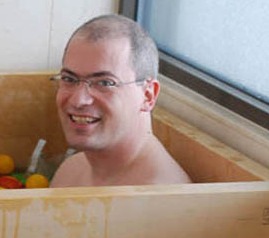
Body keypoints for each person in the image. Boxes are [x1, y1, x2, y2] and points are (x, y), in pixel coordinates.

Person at [50, 14, 192, 187]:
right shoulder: (71, 170)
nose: (79, 100)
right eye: (69, 79)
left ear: (148, 95)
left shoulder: (159, 200)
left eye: (105, 83)